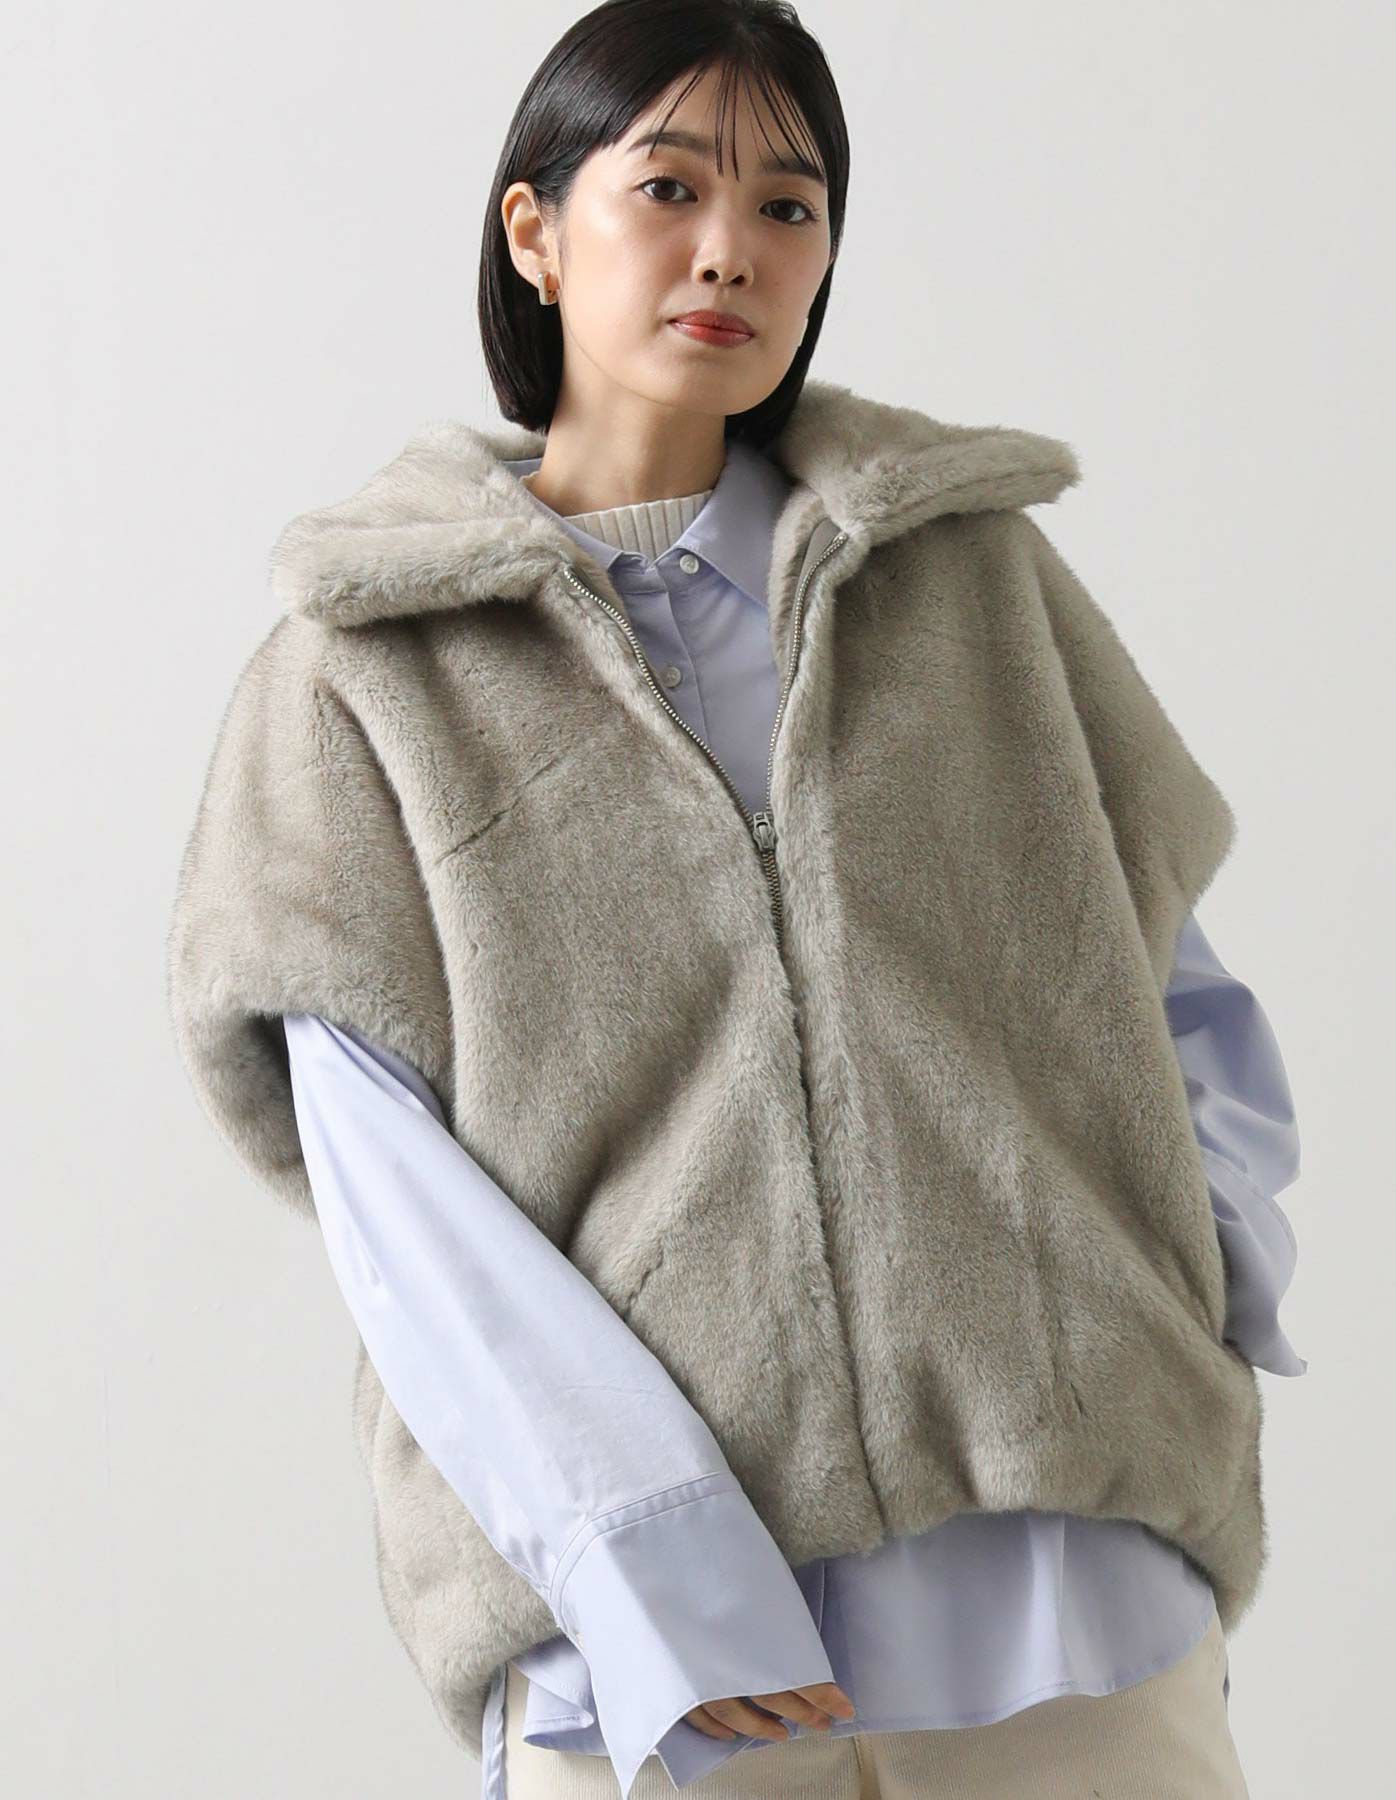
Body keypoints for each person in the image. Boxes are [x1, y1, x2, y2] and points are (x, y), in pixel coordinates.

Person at [165, 3, 1307, 1795]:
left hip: (1058, 1583)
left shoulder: (972, 582)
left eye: (789, 205)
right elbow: (404, 1216)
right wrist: (650, 1566)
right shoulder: (362, 679)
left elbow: (1170, 978)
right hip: (641, 1649)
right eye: (669, 187)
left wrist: (1176, 1313)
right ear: (535, 230)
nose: (731, 249)